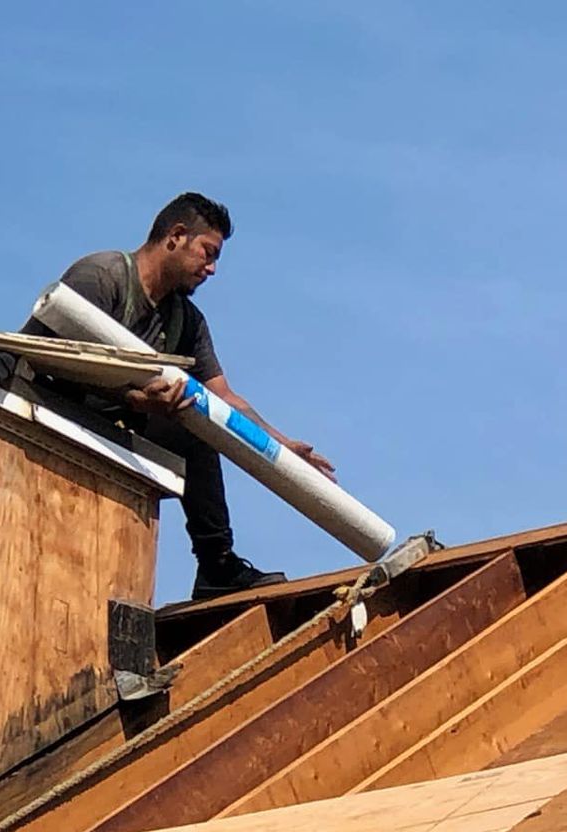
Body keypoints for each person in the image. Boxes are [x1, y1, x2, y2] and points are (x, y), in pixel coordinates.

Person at [22, 193, 336, 601]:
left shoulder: (184, 320)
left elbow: (223, 398)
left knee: (200, 428)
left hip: (116, 424)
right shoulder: (103, 277)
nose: (212, 269)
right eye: (208, 253)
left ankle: (216, 564)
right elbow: (51, 358)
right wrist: (137, 398)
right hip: (48, 414)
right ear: (177, 236)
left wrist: (279, 445)